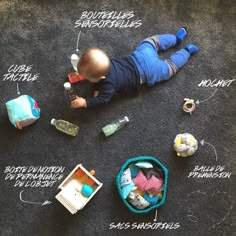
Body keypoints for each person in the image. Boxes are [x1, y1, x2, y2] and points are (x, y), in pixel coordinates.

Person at [70, 27, 198, 109]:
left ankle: (187, 51)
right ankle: (175, 39)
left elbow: (103, 100)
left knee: (169, 68)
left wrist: (85, 102)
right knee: (151, 42)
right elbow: (96, 75)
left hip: (148, 72)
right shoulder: (107, 62)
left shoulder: (108, 85)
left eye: (86, 77)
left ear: (101, 78)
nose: (84, 78)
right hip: (140, 56)